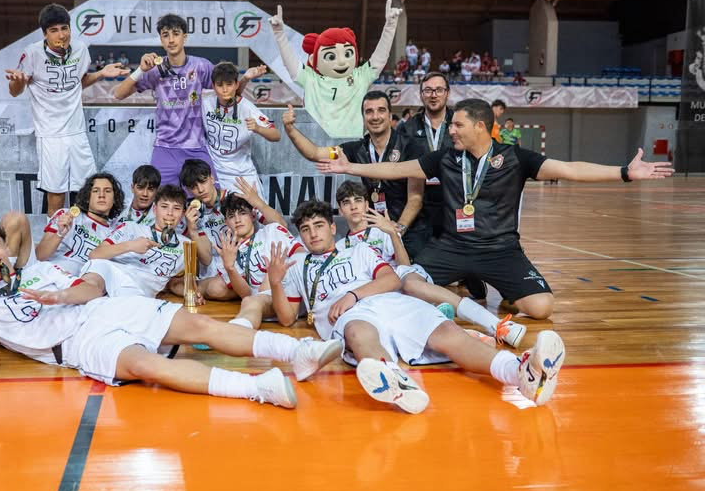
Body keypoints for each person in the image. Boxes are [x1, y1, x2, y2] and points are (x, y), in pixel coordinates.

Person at [318, 98, 674, 320]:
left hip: (502, 249)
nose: (451, 130)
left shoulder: (516, 158)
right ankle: (471, 307)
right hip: (453, 247)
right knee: (406, 282)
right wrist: (350, 168)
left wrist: (625, 172)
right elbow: (397, 169)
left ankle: (510, 298)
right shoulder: (445, 158)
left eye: (457, 124)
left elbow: (569, 169)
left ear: (479, 126)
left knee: (542, 309)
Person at [0, 219, 345, 408]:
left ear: (5, 249)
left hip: (102, 308)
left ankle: (299, 354)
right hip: (76, 343)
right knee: (146, 365)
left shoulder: (42, 270)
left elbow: (91, 285)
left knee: (198, 324)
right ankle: (257, 389)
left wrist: (62, 295)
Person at [264, 199, 567, 412]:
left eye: (319, 225)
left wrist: (353, 294)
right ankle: (397, 383)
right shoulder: (296, 265)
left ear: (333, 227)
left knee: (450, 335)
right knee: (358, 333)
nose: (313, 233)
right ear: (300, 236)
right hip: (351, 316)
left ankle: (521, 374)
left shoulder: (359, 251)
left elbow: (392, 280)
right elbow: (288, 319)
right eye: (305, 229)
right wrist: (276, 282)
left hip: (386, 301)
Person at [333, 180, 525, 348]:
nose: (353, 206)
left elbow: (404, 265)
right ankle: (463, 332)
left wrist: (392, 233)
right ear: (340, 210)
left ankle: (498, 325)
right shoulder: (340, 248)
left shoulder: (382, 230)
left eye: (358, 200)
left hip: (402, 279)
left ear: (367, 204)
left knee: (408, 283)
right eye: (346, 203)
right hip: (379, 295)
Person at [6, 4, 128, 217]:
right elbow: (16, 91)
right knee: (56, 195)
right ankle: (56, 244)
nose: (61, 35)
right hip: (51, 135)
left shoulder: (80, 49)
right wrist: (17, 81)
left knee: (86, 192)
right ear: (45, 34)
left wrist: (100, 74)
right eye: (54, 30)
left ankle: (84, 240)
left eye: (64, 28)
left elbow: (79, 82)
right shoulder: (32, 53)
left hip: (77, 132)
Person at [283, 90, 430, 258]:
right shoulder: (356, 149)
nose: (375, 117)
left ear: (390, 116)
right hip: (374, 231)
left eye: (381, 110)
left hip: (410, 230)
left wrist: (397, 230)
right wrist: (291, 130)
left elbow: (415, 199)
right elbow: (315, 153)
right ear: (363, 118)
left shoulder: (411, 146)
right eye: (369, 112)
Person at [113, 14, 256, 186]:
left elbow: (230, 93)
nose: (171, 40)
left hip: (195, 148)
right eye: (165, 35)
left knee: (213, 200)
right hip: (165, 149)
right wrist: (140, 70)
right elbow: (118, 94)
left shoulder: (201, 66)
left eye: (176, 33)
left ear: (185, 37)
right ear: (161, 39)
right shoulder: (154, 70)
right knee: (161, 204)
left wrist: (246, 78)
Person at [268, 1, 402, 138]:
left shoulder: (360, 76)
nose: (342, 61)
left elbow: (380, 58)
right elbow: (290, 63)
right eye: (331, 56)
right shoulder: (311, 79)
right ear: (315, 60)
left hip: (351, 148)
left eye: (348, 54)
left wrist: (390, 26)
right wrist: (279, 34)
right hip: (315, 148)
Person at [82, 184, 209, 299]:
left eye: (176, 208)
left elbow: (174, 283)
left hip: (137, 291)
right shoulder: (130, 227)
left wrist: (190, 293)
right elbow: (95, 255)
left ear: (182, 214)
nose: (170, 213)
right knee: (94, 279)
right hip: (110, 273)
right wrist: (131, 245)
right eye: (164, 207)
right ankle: (63, 297)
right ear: (154, 209)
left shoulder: (185, 245)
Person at [178, 159, 285, 286]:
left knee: (214, 288)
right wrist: (193, 231)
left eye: (203, 181)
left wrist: (258, 203)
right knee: (185, 284)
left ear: (212, 178)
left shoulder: (236, 198)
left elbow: (281, 225)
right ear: (189, 190)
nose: (200, 189)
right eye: (194, 187)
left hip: (248, 261)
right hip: (217, 270)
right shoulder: (194, 213)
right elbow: (206, 260)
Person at [210, 192, 305, 328]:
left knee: (251, 301)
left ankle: (233, 334)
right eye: (231, 216)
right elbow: (245, 293)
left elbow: (301, 254)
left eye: (242, 213)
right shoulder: (229, 251)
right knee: (249, 300)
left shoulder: (271, 231)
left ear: (253, 215)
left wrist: (276, 275)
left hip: (288, 295)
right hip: (261, 303)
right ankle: (236, 333)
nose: (237, 220)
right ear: (226, 222)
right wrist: (230, 268)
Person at [201, 61, 276, 195]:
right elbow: (187, 96)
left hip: (243, 174)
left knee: (258, 214)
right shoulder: (205, 99)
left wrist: (258, 128)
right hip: (215, 173)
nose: (224, 89)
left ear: (236, 84)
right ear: (213, 86)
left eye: (229, 84)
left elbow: (276, 135)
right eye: (219, 85)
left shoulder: (247, 108)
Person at [397, 72, 454, 243]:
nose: (433, 95)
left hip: (452, 205)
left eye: (438, 90)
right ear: (421, 95)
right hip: (419, 206)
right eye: (428, 90)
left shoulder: (459, 124)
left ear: (447, 93)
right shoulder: (407, 128)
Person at [34, 172, 125, 275]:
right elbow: (40, 255)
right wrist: (59, 234)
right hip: (46, 272)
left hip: (77, 285)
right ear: (87, 197)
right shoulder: (65, 214)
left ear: (114, 198)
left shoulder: (117, 232)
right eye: (95, 191)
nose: (102, 195)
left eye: (107, 191)